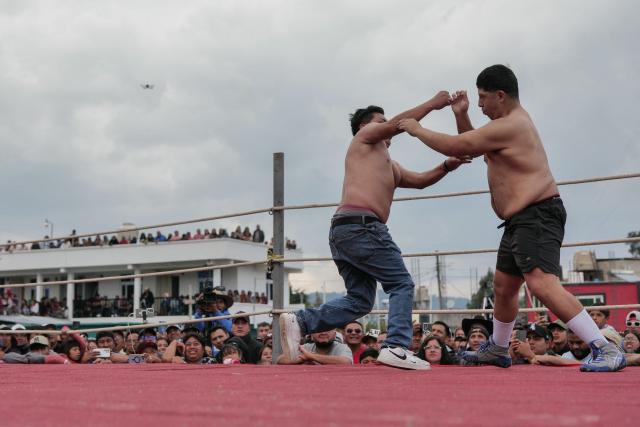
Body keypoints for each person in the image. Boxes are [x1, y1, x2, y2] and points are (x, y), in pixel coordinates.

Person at [398, 64, 625, 372]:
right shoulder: (504, 126)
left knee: (542, 283)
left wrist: (416, 128)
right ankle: (498, 349)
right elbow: (476, 144)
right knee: (504, 287)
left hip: (537, 214)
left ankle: (604, 346)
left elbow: (460, 146)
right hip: (521, 219)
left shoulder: (513, 124)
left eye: (482, 98)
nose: (479, 105)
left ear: (500, 95)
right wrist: (460, 114)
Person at [279, 92, 469, 370]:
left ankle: (303, 321)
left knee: (361, 300)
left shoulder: (390, 165)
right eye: (381, 120)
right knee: (401, 283)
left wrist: (446, 166)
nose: (387, 124)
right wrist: (433, 103)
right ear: (364, 126)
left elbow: (421, 181)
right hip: (362, 228)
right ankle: (395, 346)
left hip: (346, 232)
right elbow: (398, 123)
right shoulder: (364, 139)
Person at [277, 329, 352, 365]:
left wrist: (311, 356)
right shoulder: (306, 347)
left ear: (335, 334)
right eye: (318, 329)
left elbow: (346, 362)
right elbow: (280, 360)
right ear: (311, 336)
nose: (323, 332)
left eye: (328, 329)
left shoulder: (342, 348)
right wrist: (301, 359)